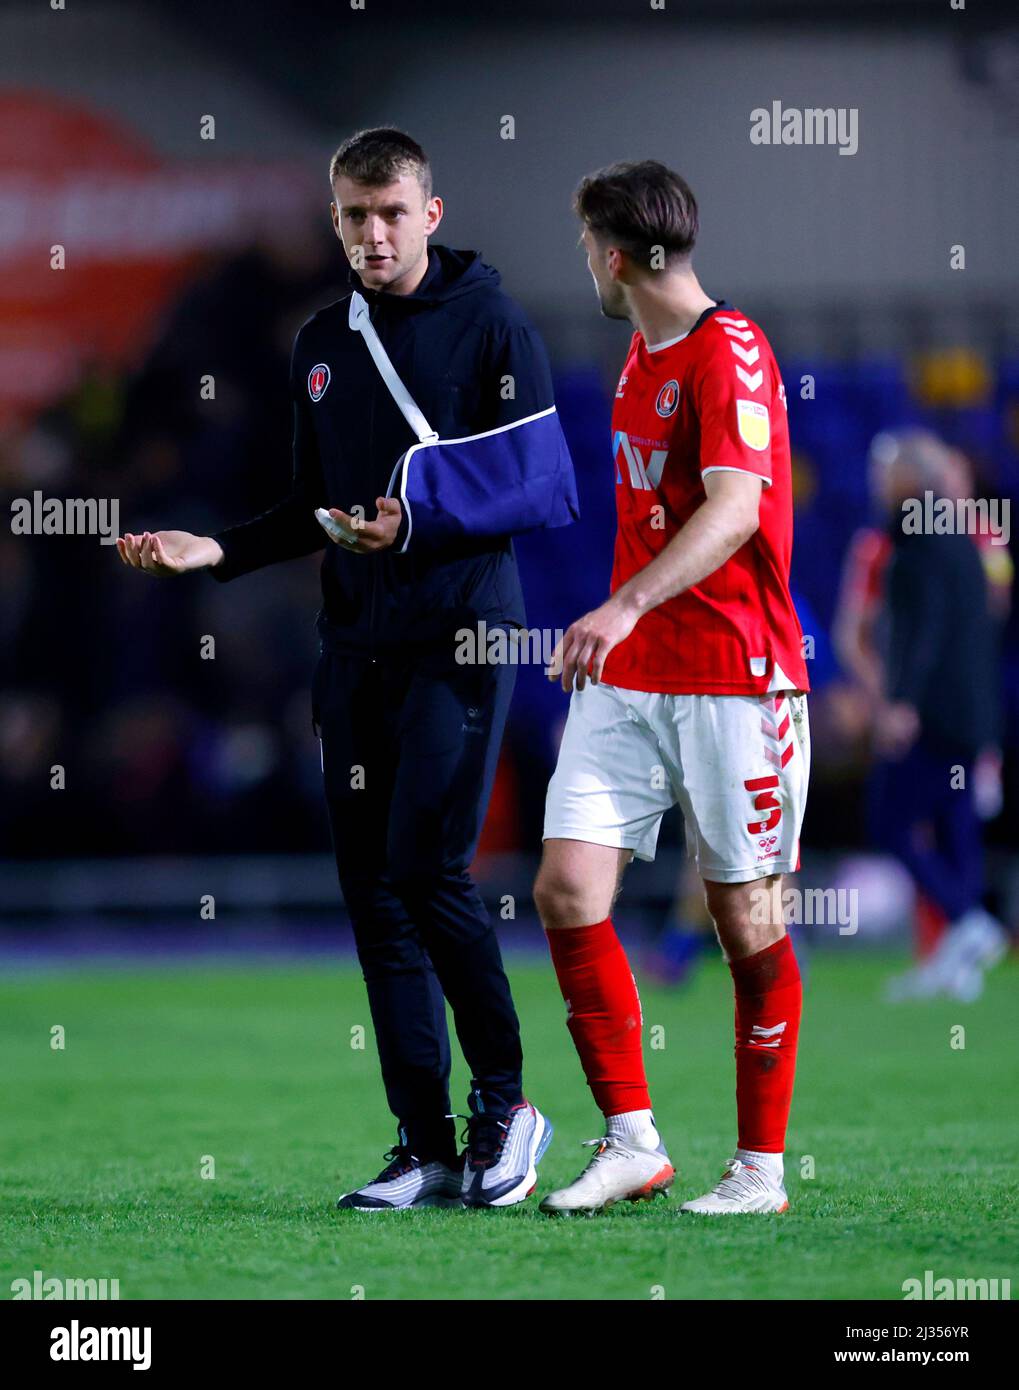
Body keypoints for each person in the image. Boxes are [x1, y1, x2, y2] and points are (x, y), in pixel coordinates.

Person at [117, 127, 572, 1209]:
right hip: (352, 647)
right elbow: (309, 508)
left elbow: (546, 487)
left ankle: (506, 1109)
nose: (373, 233)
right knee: (371, 889)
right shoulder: (323, 338)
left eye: (390, 213)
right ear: (335, 222)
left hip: (459, 634)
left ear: (431, 214)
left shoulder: (493, 322)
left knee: (428, 868)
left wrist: (414, 516)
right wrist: (215, 547)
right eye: (354, 216)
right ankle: (422, 1144)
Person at [534, 160, 810, 1215]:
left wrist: (621, 606)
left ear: (612, 255)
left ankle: (758, 1170)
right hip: (633, 674)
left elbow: (735, 509)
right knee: (565, 888)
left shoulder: (726, 350)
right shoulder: (638, 355)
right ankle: (631, 1139)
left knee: (744, 918)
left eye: (584, 251)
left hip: (733, 677)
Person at [865, 430, 1009, 1003]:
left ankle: (968, 922)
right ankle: (959, 963)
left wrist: (902, 701)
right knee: (956, 829)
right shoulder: (959, 537)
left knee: (889, 817)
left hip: (937, 714)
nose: (879, 481)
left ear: (908, 481)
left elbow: (920, 631)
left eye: (889, 471)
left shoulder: (915, 537)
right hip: (973, 713)